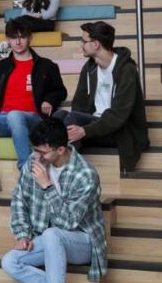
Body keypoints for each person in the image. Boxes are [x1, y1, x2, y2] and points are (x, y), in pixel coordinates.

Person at [1, 118, 107, 283]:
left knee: (53, 234)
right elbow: (19, 198)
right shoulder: (35, 160)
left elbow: (68, 222)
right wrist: (22, 233)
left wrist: (47, 185)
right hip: (49, 237)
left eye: (43, 152)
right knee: (10, 261)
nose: (37, 156)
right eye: (35, 150)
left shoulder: (85, 175)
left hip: (82, 241)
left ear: (61, 149)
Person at [0, 17, 67, 194]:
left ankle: (27, 171)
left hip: (32, 120)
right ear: (7, 40)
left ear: (30, 38)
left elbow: (60, 91)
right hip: (5, 119)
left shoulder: (46, 66)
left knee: (15, 115)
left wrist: (49, 100)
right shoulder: (0, 67)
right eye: (14, 37)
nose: (18, 42)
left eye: (22, 37)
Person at [53, 21, 149, 172]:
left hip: (120, 131)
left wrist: (84, 130)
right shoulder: (89, 68)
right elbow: (79, 104)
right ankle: (47, 169)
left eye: (84, 41)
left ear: (96, 44)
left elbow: (118, 116)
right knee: (59, 116)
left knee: (73, 120)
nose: (81, 45)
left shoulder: (127, 71)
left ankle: (68, 176)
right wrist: (82, 128)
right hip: (96, 126)